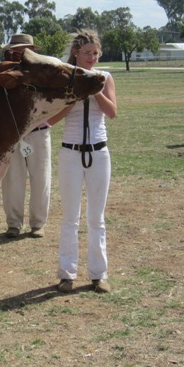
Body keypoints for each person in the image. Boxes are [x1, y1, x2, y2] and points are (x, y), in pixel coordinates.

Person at [47, 29, 117, 293]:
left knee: (96, 217)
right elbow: (52, 119)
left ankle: (99, 275)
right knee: (70, 217)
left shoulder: (105, 77)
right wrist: (76, 94)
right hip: (70, 152)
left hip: (99, 152)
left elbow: (112, 112)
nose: (92, 57)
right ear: (76, 53)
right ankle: (67, 274)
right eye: (87, 53)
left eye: (95, 53)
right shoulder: (66, 77)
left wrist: (95, 89)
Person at [0, 34, 52, 239]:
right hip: (13, 134)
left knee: (41, 179)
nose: (20, 54)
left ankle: (38, 223)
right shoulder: (3, 74)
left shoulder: (43, 73)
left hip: (39, 133)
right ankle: (13, 224)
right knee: (12, 180)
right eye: (17, 50)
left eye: (25, 50)